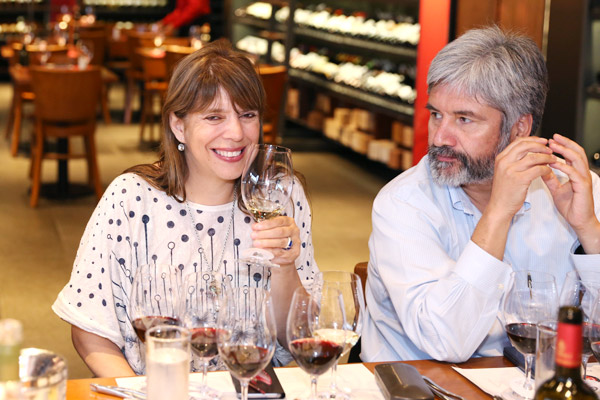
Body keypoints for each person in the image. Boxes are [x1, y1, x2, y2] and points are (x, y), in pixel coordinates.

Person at [52, 39, 318, 377]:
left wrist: (284, 266)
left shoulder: (281, 196)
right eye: (214, 116)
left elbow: (299, 338)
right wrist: (140, 394)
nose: (236, 132)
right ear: (179, 125)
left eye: (247, 115)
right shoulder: (131, 198)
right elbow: (89, 329)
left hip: (253, 389)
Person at [362, 26, 600, 363]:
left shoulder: (572, 190)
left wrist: (589, 229)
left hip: (536, 381)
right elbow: (445, 341)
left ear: (519, 129)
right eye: (436, 115)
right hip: (424, 383)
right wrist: (498, 213)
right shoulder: (404, 203)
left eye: (464, 119)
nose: (440, 137)